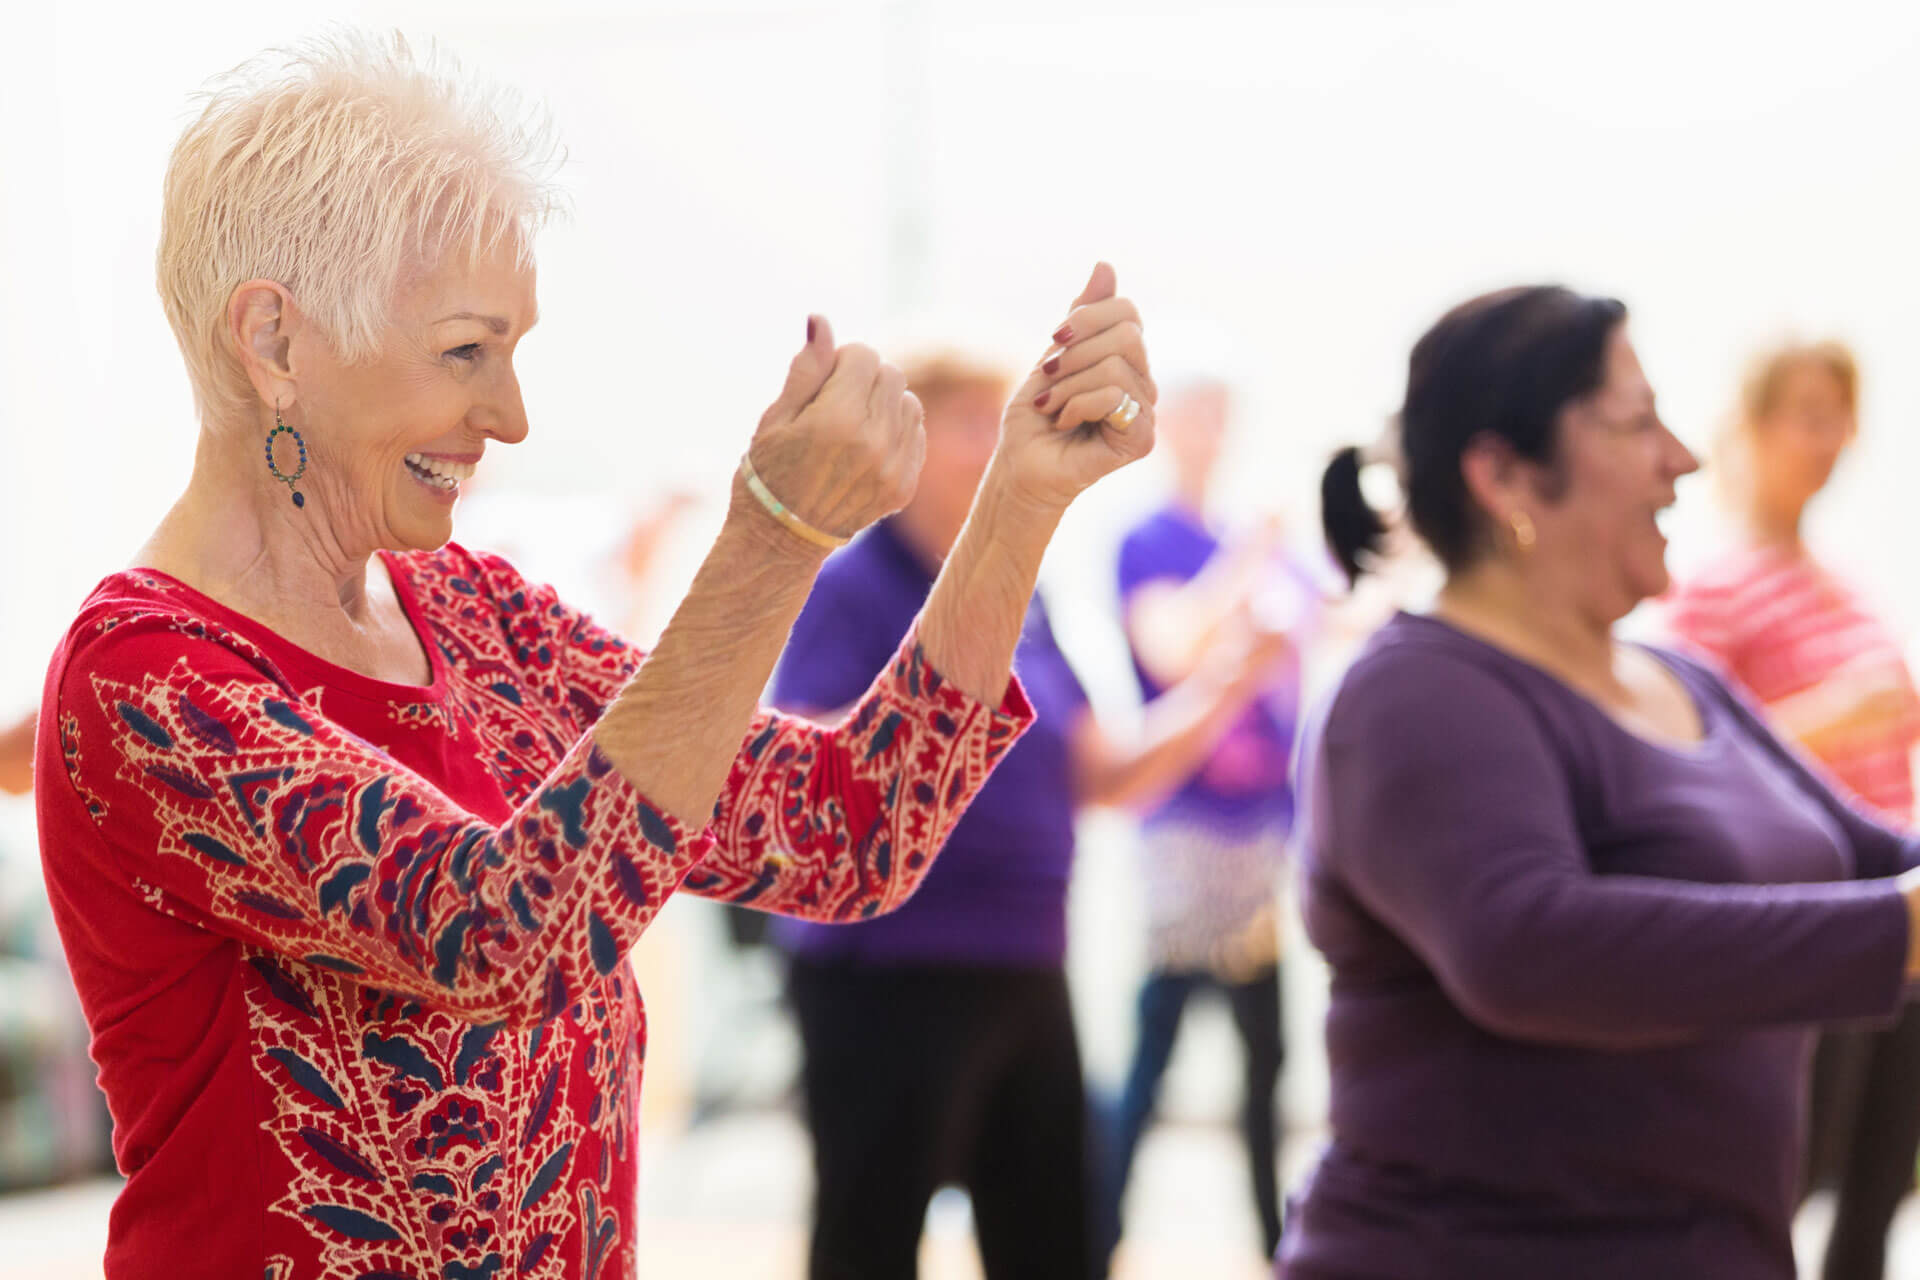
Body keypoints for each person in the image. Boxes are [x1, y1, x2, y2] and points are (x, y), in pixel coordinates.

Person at [33, 32, 1159, 1280]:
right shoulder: (145, 677)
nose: (510, 415)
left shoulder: (474, 614)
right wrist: (771, 543)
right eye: (466, 349)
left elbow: (849, 829)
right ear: (275, 342)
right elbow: (508, 935)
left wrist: (1019, 500)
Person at [1282, 285, 1920, 1279]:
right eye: (1636, 422)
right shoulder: (1413, 695)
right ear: (1504, 475)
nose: (1686, 457)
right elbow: (1530, 944)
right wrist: (1897, 930)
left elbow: (1874, 857)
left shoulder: (1684, 679)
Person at [768, 351, 1286, 1280]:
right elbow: (802, 773)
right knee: (869, 1242)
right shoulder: (850, 587)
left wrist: (1225, 681)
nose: (999, 449)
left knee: (1058, 1248)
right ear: (910, 445)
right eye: (973, 425)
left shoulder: (1024, 600)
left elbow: (1102, 776)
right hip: (886, 971)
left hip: (1024, 961)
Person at [1663, 339, 1920, 1280]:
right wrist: (1835, 714)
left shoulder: (1846, 584)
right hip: (1816, 920)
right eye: (1808, 416)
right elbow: (1675, 759)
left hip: (1901, 909)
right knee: (1790, 1174)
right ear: (1755, 427)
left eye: (1840, 418)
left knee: (1881, 1181)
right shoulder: (1713, 588)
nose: (1830, 441)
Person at [1103, 379, 1311, 1263]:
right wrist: (1249, 564)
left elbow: (1312, 641)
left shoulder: (1251, 543)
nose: (1207, 429)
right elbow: (1171, 645)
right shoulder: (1149, 541)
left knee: (1268, 1062)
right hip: (1184, 834)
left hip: (1260, 834)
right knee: (1155, 1051)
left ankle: (1277, 1245)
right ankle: (1095, 1232)